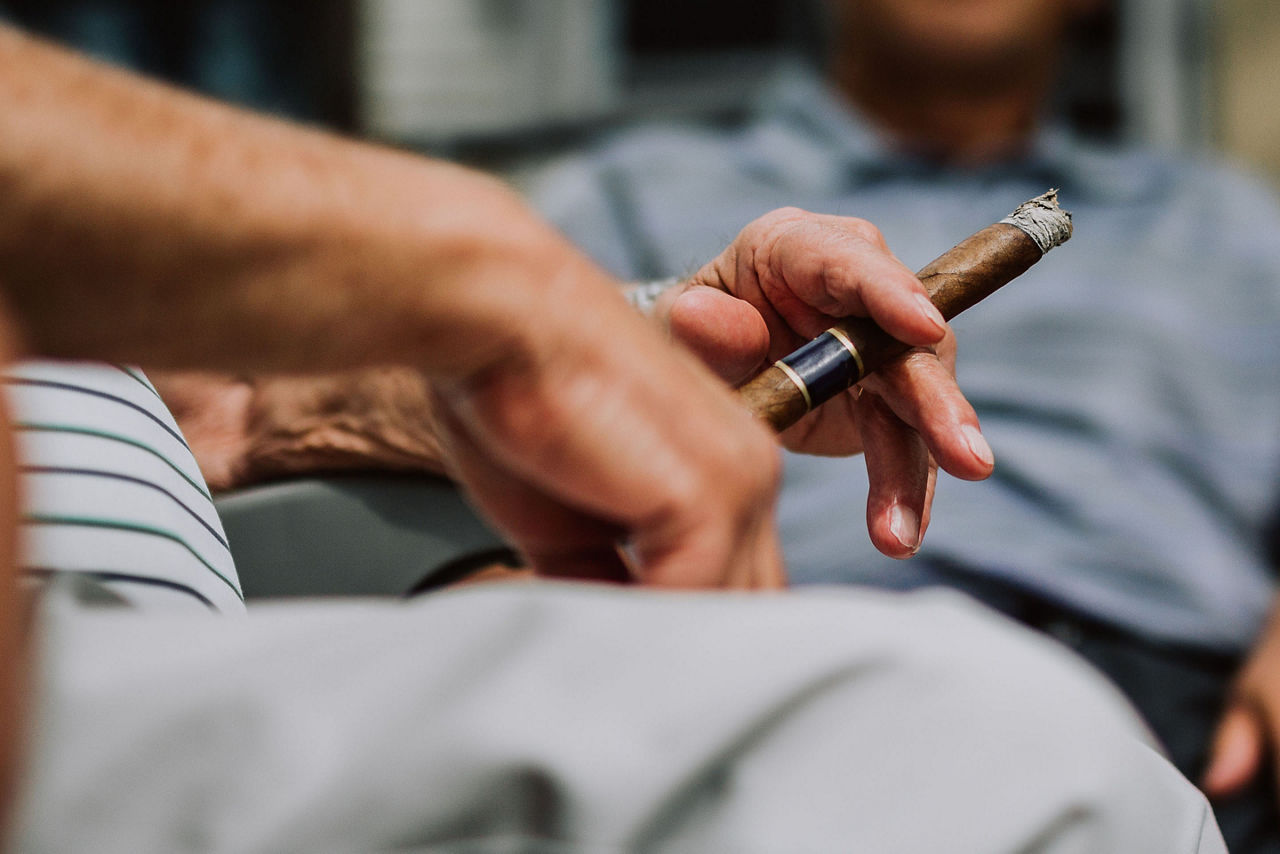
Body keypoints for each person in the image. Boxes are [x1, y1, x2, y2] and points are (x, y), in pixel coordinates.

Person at [0, 23, 1228, 853]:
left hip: (150, 678)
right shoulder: (650, 166)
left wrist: (633, 345)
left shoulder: (1222, 219)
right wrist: (467, 270)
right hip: (64, 720)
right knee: (1032, 772)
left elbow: (238, 406)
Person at [524, 0, 1280, 850]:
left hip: (1185, 722)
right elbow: (469, 408)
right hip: (773, 682)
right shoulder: (628, 189)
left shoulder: (1237, 225)